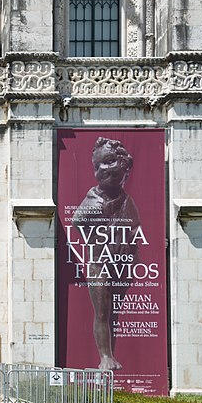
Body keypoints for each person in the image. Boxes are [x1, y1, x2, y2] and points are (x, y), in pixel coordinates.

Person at [72, 138, 139, 371]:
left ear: (125, 166)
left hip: (122, 263)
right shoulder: (93, 198)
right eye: (98, 165)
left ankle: (113, 355)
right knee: (102, 312)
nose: (102, 170)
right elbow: (78, 221)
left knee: (116, 311)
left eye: (109, 162)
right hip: (99, 264)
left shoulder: (127, 200)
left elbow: (135, 230)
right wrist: (99, 213)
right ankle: (105, 357)